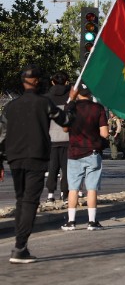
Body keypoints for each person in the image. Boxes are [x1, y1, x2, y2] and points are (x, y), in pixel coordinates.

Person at [1, 65, 67, 264]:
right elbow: (65, 120)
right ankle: (20, 247)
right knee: (30, 201)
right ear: (38, 82)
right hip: (36, 157)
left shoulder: (10, 107)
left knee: (21, 199)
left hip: (14, 158)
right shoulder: (44, 104)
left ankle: (20, 244)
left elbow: (1, 135)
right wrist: (71, 108)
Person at [61, 83, 109, 231]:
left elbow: (64, 128)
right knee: (92, 188)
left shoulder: (71, 108)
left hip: (74, 152)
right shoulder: (98, 108)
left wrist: (70, 101)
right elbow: (105, 134)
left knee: (73, 188)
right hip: (93, 152)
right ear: (90, 93)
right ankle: (92, 221)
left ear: (77, 92)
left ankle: (71, 221)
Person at [44, 71, 71, 205]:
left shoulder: (46, 99)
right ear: (66, 82)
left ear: (52, 82)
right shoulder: (70, 98)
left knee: (52, 168)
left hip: (51, 139)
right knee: (66, 169)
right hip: (67, 138)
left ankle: (50, 194)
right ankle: (64, 194)